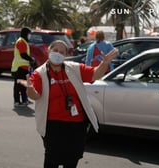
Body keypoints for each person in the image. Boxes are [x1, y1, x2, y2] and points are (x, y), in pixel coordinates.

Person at [18, 40, 118, 168]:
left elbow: (94, 75)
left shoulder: (74, 68)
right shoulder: (40, 73)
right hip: (52, 125)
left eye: (62, 52)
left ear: (65, 55)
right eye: (55, 51)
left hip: (76, 124)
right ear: (49, 51)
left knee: (72, 159)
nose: (58, 54)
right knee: (52, 160)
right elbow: (36, 95)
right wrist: (30, 90)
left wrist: (104, 64)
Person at [11, 27, 35, 107]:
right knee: (18, 86)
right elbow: (23, 54)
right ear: (25, 34)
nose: (29, 36)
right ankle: (17, 101)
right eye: (29, 34)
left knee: (23, 85)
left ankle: (24, 100)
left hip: (23, 67)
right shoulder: (21, 42)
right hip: (19, 67)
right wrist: (31, 59)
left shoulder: (24, 41)